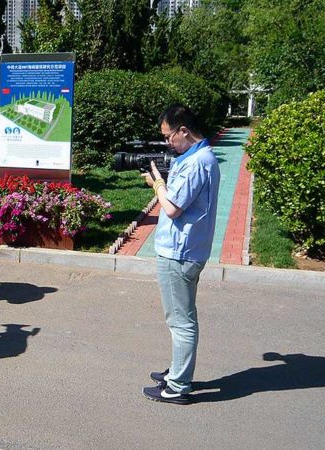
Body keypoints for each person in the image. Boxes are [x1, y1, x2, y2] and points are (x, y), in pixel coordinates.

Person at [141, 104, 220, 405]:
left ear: (183, 131)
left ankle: (177, 386)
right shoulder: (198, 157)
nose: (167, 143)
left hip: (180, 253)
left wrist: (158, 184)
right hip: (187, 249)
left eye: (168, 136)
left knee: (181, 321)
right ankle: (178, 371)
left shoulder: (198, 162)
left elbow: (172, 207)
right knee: (181, 317)